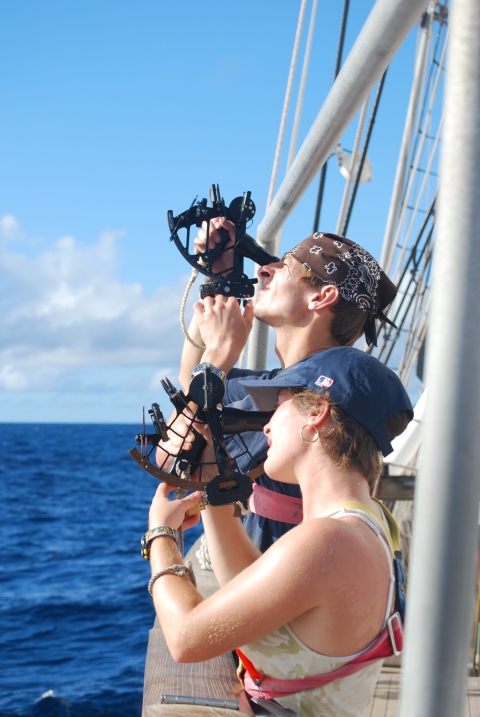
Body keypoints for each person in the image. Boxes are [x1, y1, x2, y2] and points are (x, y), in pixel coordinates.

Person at [144, 347, 413, 717]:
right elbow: (251, 586)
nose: (266, 426)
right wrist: (212, 490)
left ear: (317, 414)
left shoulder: (329, 542)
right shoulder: (366, 522)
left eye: (280, 407)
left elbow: (186, 638)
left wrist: (160, 533)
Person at [160, 221, 399, 551]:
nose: (263, 271)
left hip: (281, 574)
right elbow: (194, 383)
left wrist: (220, 352)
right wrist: (220, 281)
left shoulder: (312, 403)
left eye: (283, 266)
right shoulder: (278, 388)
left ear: (321, 296)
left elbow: (197, 404)